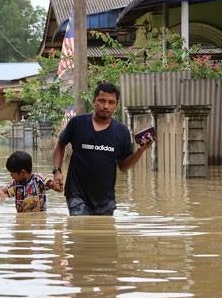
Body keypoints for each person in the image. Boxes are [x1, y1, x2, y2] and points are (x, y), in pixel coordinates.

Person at [52, 81, 153, 216]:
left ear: (116, 105)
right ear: (94, 101)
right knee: (79, 224)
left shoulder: (121, 131)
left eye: (111, 102)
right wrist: (57, 171)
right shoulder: (77, 123)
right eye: (102, 101)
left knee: (104, 230)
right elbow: (60, 145)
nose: (106, 106)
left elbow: (123, 167)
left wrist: (140, 150)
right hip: (77, 195)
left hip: (105, 200)